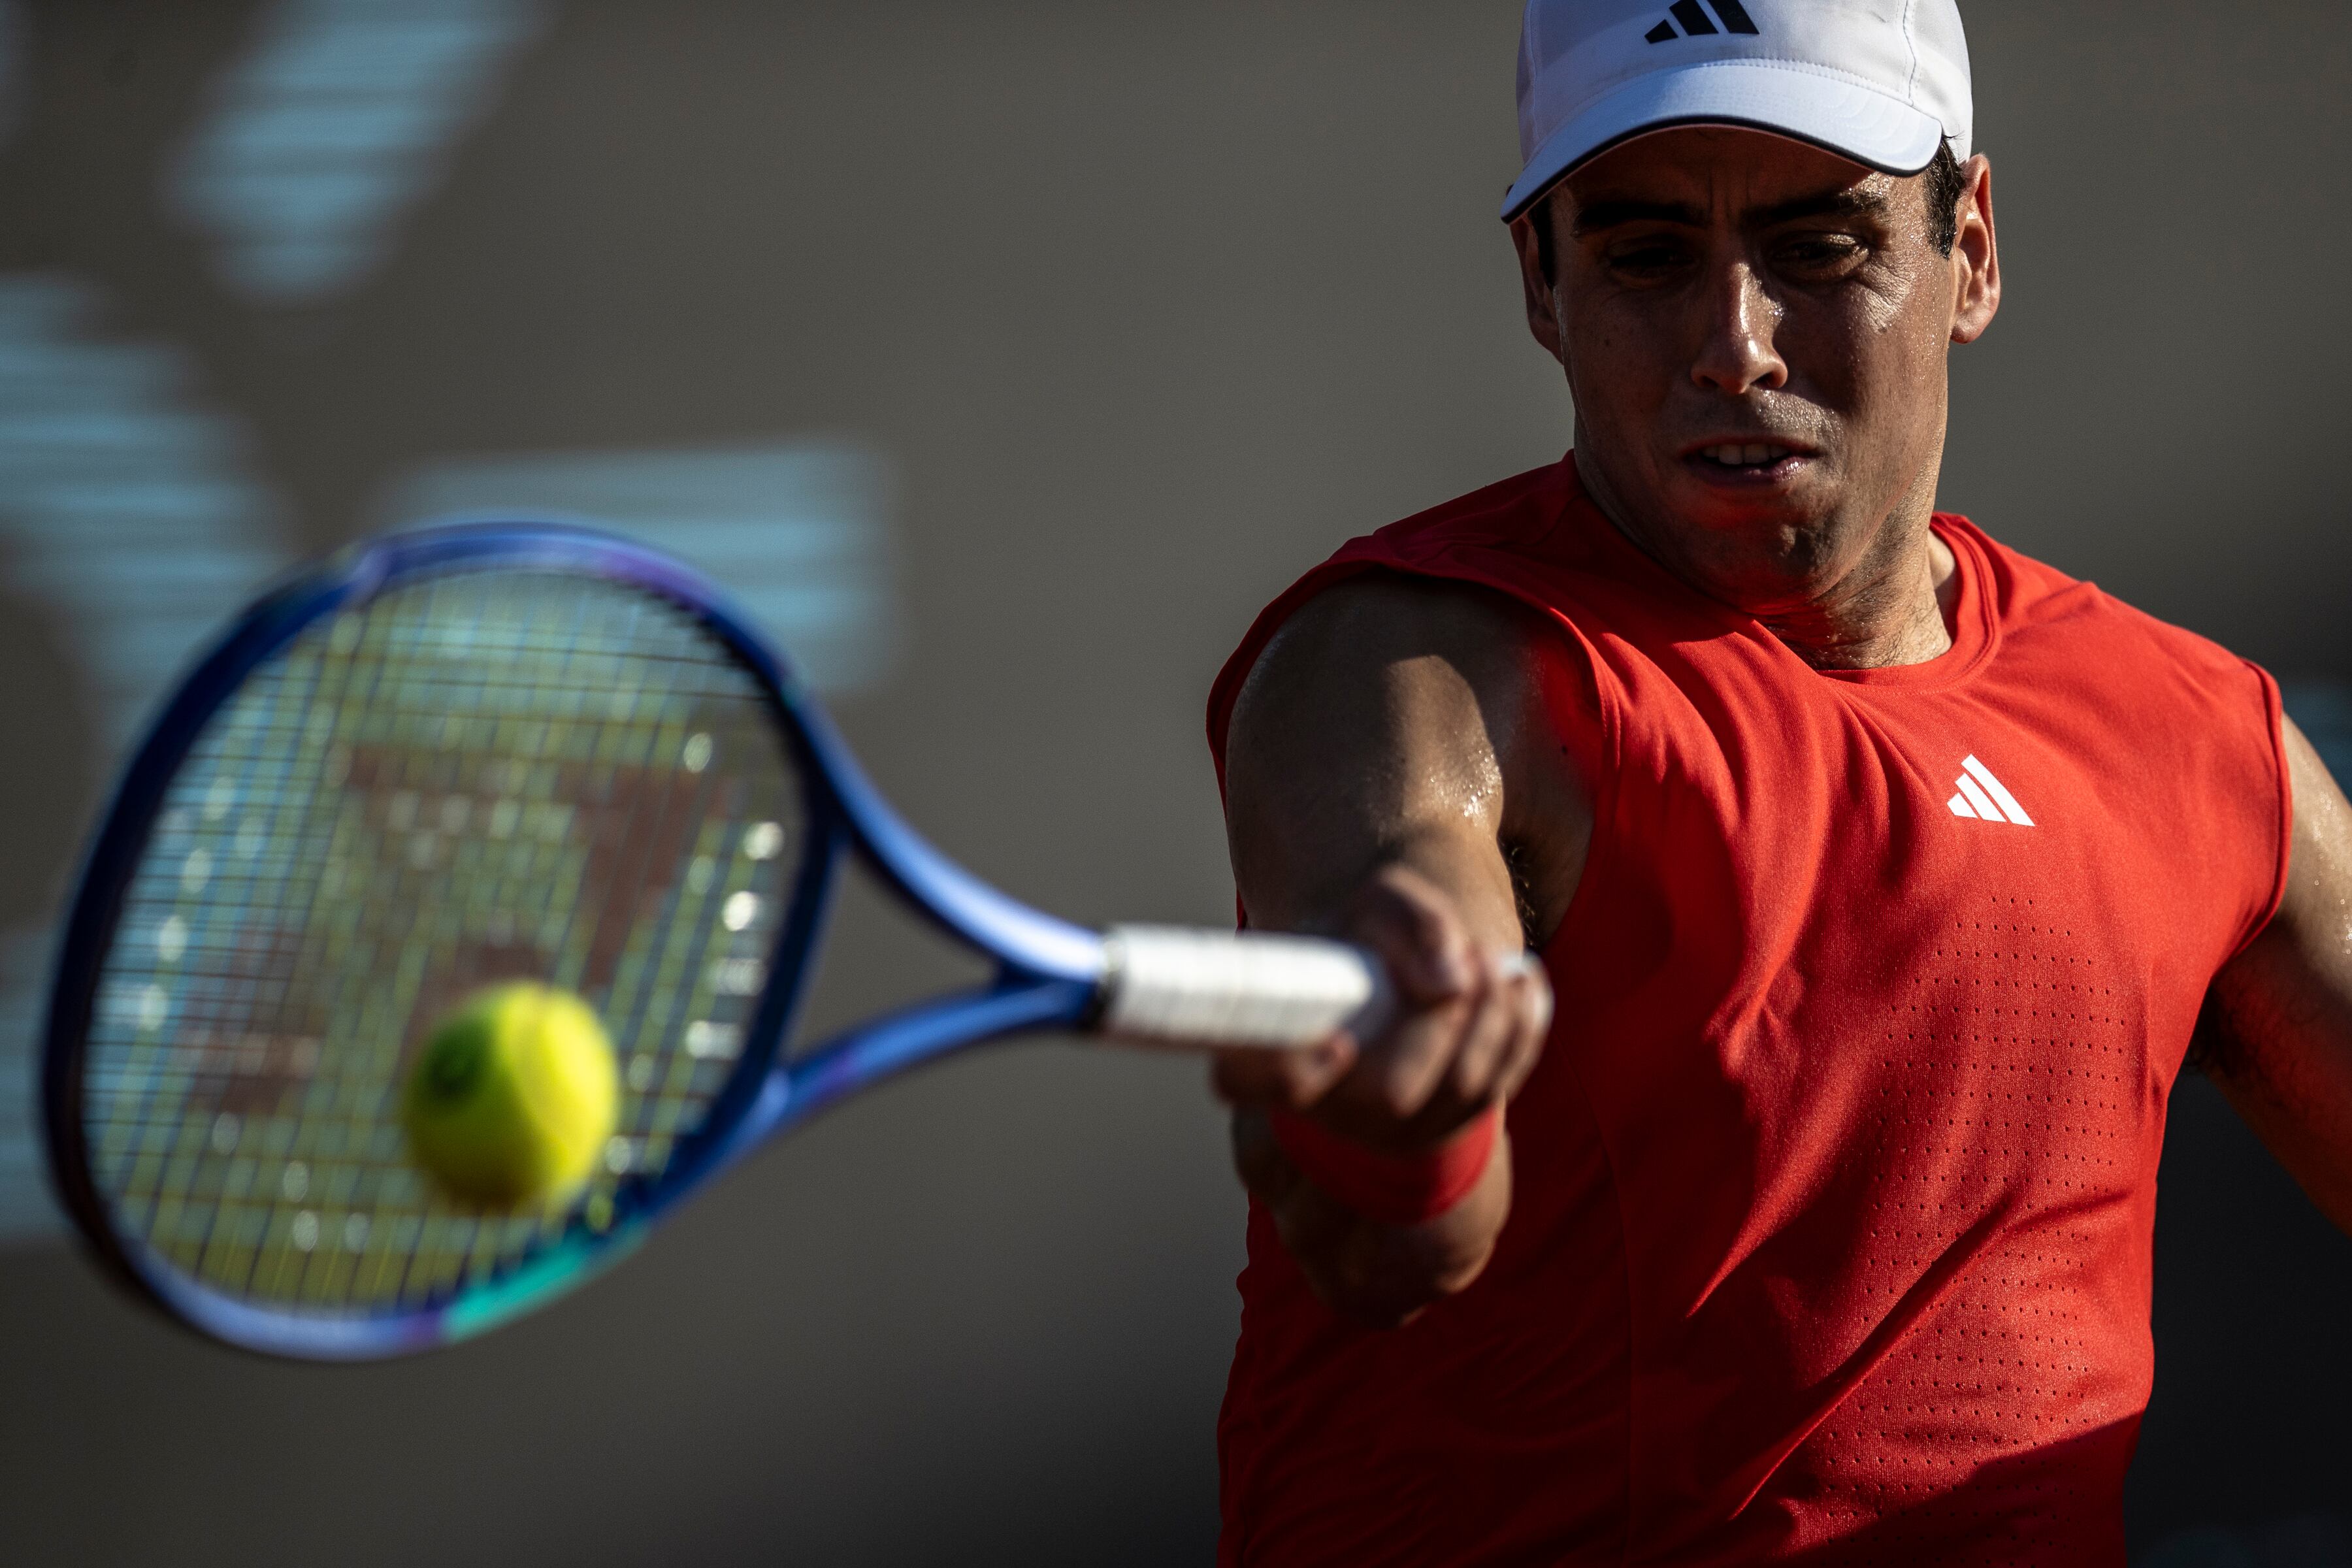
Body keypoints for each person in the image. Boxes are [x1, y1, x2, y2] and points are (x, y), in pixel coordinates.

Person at [1202, 1, 2352, 1561]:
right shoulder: (1412, 673)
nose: (1732, 343)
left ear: (1974, 250)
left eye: (1818, 246)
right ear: (1543, 279)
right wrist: (1392, 1128)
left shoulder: (2192, 735)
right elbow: (1408, 1179)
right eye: (1647, 255)